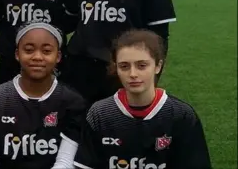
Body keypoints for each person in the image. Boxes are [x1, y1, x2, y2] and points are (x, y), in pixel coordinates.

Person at [73, 30, 210, 169]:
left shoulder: (181, 116)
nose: (133, 74)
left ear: (158, 66)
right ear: (116, 68)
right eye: (124, 66)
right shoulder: (100, 114)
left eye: (142, 65)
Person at [0, 21, 86, 168]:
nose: (37, 57)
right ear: (17, 54)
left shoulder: (72, 101)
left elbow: (65, 162)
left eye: (47, 51)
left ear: (58, 56)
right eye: (29, 50)